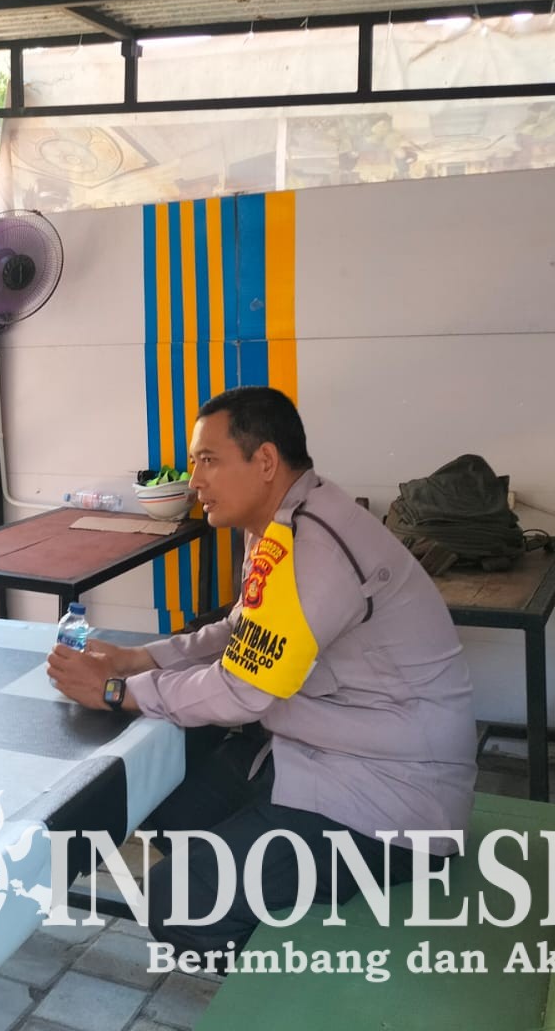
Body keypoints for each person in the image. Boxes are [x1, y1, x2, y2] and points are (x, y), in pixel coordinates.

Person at [47, 386, 477, 954]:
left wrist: (115, 691)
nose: (194, 481)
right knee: (156, 798)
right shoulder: (283, 522)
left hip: (392, 802)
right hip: (314, 754)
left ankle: (297, 975)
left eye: (208, 460)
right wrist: (140, 658)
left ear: (266, 461)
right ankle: (266, 894)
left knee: (177, 899)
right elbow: (241, 629)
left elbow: (243, 690)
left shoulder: (314, 546)